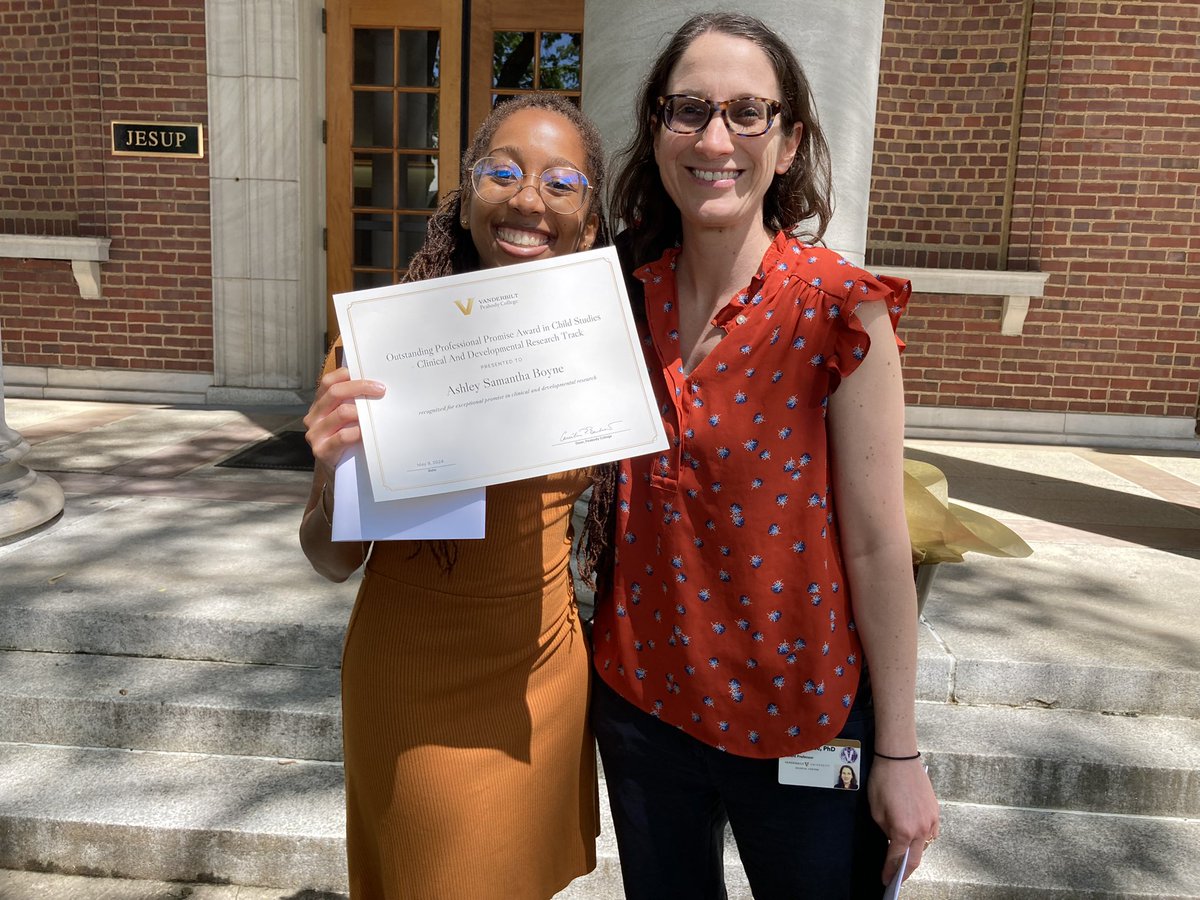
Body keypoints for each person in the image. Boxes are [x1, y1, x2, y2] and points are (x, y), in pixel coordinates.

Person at [583, 12, 940, 899]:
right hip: (643, 710)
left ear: (788, 144)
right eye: (689, 109)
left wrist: (898, 750)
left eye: (749, 113)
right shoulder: (612, 296)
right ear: (657, 130)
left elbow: (875, 543)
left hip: (806, 727)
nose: (716, 138)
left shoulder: (839, 312)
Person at [300, 93, 607, 900]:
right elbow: (332, 560)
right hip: (414, 674)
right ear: (465, 195)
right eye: (501, 172)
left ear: (589, 212)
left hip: (542, 673)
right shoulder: (382, 351)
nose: (528, 199)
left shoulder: (599, 348)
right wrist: (334, 469)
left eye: (561, 182)